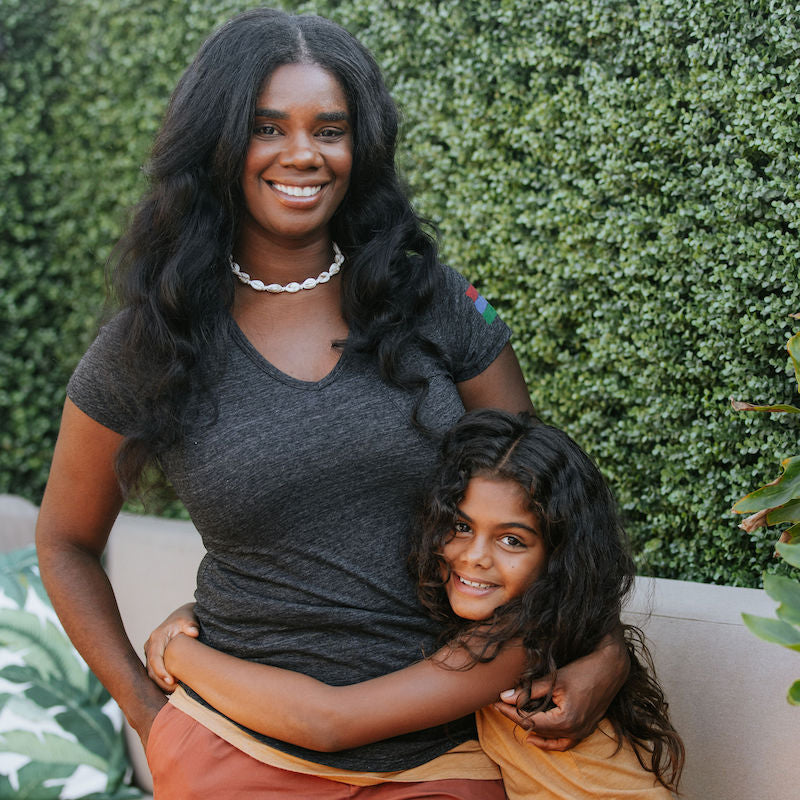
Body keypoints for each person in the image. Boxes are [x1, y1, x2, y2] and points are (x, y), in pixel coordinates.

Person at [35, 7, 628, 798]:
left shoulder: (435, 301)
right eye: (268, 128)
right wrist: (150, 716)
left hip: (446, 747)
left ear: (362, 145)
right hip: (234, 749)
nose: (303, 154)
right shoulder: (156, 341)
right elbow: (66, 542)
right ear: (216, 143)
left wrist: (605, 654)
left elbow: (550, 510)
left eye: (330, 129)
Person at [152, 410, 685, 798]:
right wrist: (197, 612)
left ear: (560, 556)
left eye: (512, 540)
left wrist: (181, 653)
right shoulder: (508, 619)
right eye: (460, 526)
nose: (474, 557)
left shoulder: (518, 642)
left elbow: (329, 722)